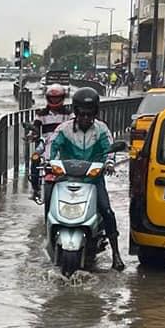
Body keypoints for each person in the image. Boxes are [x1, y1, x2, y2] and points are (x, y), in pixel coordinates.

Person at [49, 87, 125, 271]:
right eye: (81, 114)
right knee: (48, 205)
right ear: (75, 112)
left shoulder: (101, 130)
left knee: (107, 211)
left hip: (93, 180)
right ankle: (49, 243)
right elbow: (52, 145)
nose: (85, 118)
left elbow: (109, 149)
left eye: (89, 114)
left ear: (95, 113)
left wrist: (108, 163)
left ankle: (116, 254)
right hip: (65, 179)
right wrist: (46, 161)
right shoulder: (64, 130)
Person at [27, 85, 72, 201]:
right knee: (35, 157)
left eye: (57, 98)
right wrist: (32, 134)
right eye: (52, 98)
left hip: (63, 143)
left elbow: (74, 127)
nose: (54, 100)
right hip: (45, 142)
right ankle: (35, 188)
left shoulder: (68, 114)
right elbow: (35, 127)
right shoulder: (41, 114)